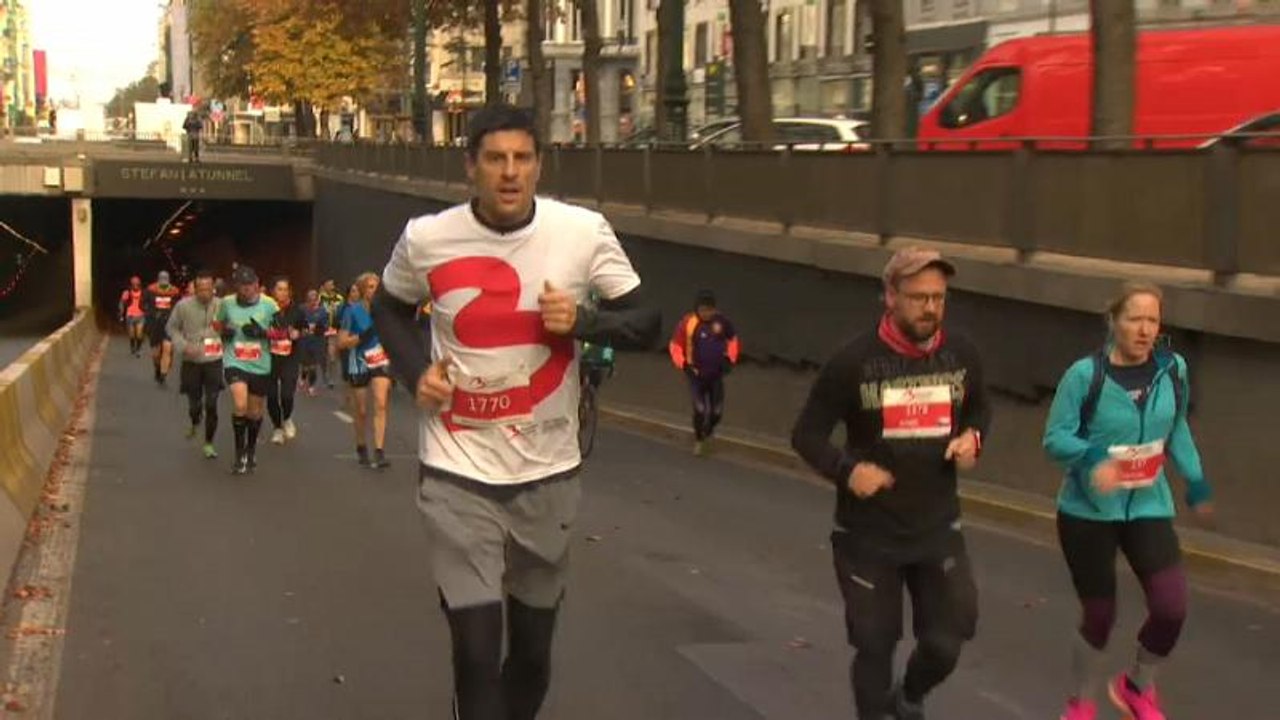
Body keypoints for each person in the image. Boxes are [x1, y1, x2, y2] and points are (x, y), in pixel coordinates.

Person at [370, 104, 661, 720]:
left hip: (547, 469)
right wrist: (414, 370)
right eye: (495, 159)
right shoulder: (427, 238)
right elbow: (389, 309)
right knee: (476, 651)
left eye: (522, 159)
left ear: (538, 165)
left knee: (529, 656)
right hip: (455, 466)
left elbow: (647, 321)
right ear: (470, 166)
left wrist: (584, 321)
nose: (510, 173)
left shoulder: (581, 233)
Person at [790, 247, 991, 720]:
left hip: (936, 526)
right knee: (876, 644)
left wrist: (973, 438)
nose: (930, 308)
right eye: (919, 297)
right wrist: (847, 470)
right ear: (890, 297)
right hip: (867, 535)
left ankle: (910, 697)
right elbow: (806, 434)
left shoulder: (962, 355)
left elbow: (980, 408)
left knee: (950, 637)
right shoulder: (853, 362)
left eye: (939, 298)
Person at [1043, 282, 1212, 720]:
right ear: (1113, 321)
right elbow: (1055, 437)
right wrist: (1094, 458)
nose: (1143, 330)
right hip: (1088, 513)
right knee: (1100, 615)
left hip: (1148, 506)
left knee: (1171, 607)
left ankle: (1137, 684)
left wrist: (1195, 480)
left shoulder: (1173, 369)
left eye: (1152, 320)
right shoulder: (1086, 375)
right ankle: (1079, 701)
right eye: (1134, 319)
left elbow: (1176, 428)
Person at [214, 266, 277, 475]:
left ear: (257, 284)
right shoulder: (227, 303)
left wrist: (263, 332)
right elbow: (217, 323)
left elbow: (283, 331)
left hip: (260, 363)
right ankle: (239, 453)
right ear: (237, 287)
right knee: (240, 404)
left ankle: (251, 450)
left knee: (255, 412)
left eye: (250, 285)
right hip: (235, 360)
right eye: (242, 286)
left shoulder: (269, 305)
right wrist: (225, 331)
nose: (246, 289)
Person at [667, 289, 740, 455]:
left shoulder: (722, 323)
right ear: (697, 309)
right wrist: (684, 365)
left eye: (710, 310)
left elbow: (732, 340)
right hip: (696, 375)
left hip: (716, 375)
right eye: (703, 310)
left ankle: (709, 431)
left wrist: (730, 360)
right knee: (700, 410)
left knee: (717, 412)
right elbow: (675, 345)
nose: (706, 313)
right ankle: (699, 438)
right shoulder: (688, 323)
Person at [166, 270, 223, 459]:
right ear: (195, 289)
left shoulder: (222, 306)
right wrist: (183, 346)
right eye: (201, 289)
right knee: (195, 404)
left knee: (212, 403)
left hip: (214, 360)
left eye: (209, 289)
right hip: (192, 361)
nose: (205, 293)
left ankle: (209, 443)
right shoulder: (183, 306)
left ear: (213, 288)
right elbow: (171, 328)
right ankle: (194, 419)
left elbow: (232, 326)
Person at [338, 273, 392, 470]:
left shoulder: (385, 312)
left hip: (380, 359)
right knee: (361, 410)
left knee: (380, 402)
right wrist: (360, 337)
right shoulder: (352, 311)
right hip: (358, 360)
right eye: (369, 287)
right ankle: (361, 446)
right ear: (362, 290)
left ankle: (379, 450)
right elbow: (342, 342)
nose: (374, 291)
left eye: (376, 287)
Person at [265, 277, 307, 445]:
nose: (282, 292)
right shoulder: (267, 309)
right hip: (269, 357)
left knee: (287, 394)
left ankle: (287, 418)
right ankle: (277, 428)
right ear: (273, 291)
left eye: (285, 289)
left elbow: (304, 328)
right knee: (272, 396)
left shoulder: (297, 311)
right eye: (278, 289)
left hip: (290, 356)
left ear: (289, 292)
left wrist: (298, 333)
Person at [143, 270, 183, 385]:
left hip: (169, 324)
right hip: (154, 324)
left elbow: (179, 306)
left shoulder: (174, 292)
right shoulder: (150, 290)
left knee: (167, 348)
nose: (164, 284)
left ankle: (163, 374)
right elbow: (142, 304)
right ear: (158, 280)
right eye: (162, 281)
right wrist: (149, 313)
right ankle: (157, 368)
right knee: (156, 353)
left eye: (166, 281)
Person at [299, 289, 330, 397]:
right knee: (305, 365)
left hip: (316, 341)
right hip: (304, 341)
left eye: (314, 299)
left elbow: (326, 326)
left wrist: (318, 328)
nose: (312, 302)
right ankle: (303, 377)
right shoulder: (302, 309)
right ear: (307, 300)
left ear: (317, 299)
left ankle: (312, 387)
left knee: (313, 366)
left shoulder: (322, 311)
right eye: (310, 299)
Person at [319, 279, 346, 389]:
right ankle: (325, 372)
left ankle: (330, 377)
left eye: (332, 284)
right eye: (328, 284)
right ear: (324, 285)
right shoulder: (320, 297)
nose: (331, 286)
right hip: (321, 330)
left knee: (332, 356)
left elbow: (343, 312)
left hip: (334, 330)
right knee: (322, 354)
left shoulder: (339, 298)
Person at [119, 275, 146, 357]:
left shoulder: (143, 293)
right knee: (131, 334)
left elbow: (148, 303)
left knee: (139, 334)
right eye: (134, 284)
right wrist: (121, 313)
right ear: (131, 285)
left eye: (137, 284)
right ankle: (132, 347)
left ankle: (138, 349)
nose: (135, 286)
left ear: (139, 284)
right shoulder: (127, 293)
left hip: (140, 316)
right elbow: (122, 303)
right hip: (130, 316)